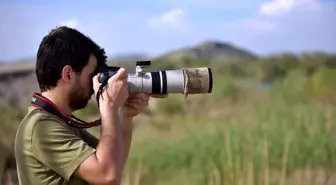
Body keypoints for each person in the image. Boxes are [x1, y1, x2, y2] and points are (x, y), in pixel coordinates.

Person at [14, 26, 168, 185]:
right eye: (92, 75)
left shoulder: (62, 121)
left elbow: (114, 163)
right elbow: (108, 175)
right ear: (68, 74)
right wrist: (109, 106)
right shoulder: (41, 127)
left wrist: (125, 115)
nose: (95, 84)